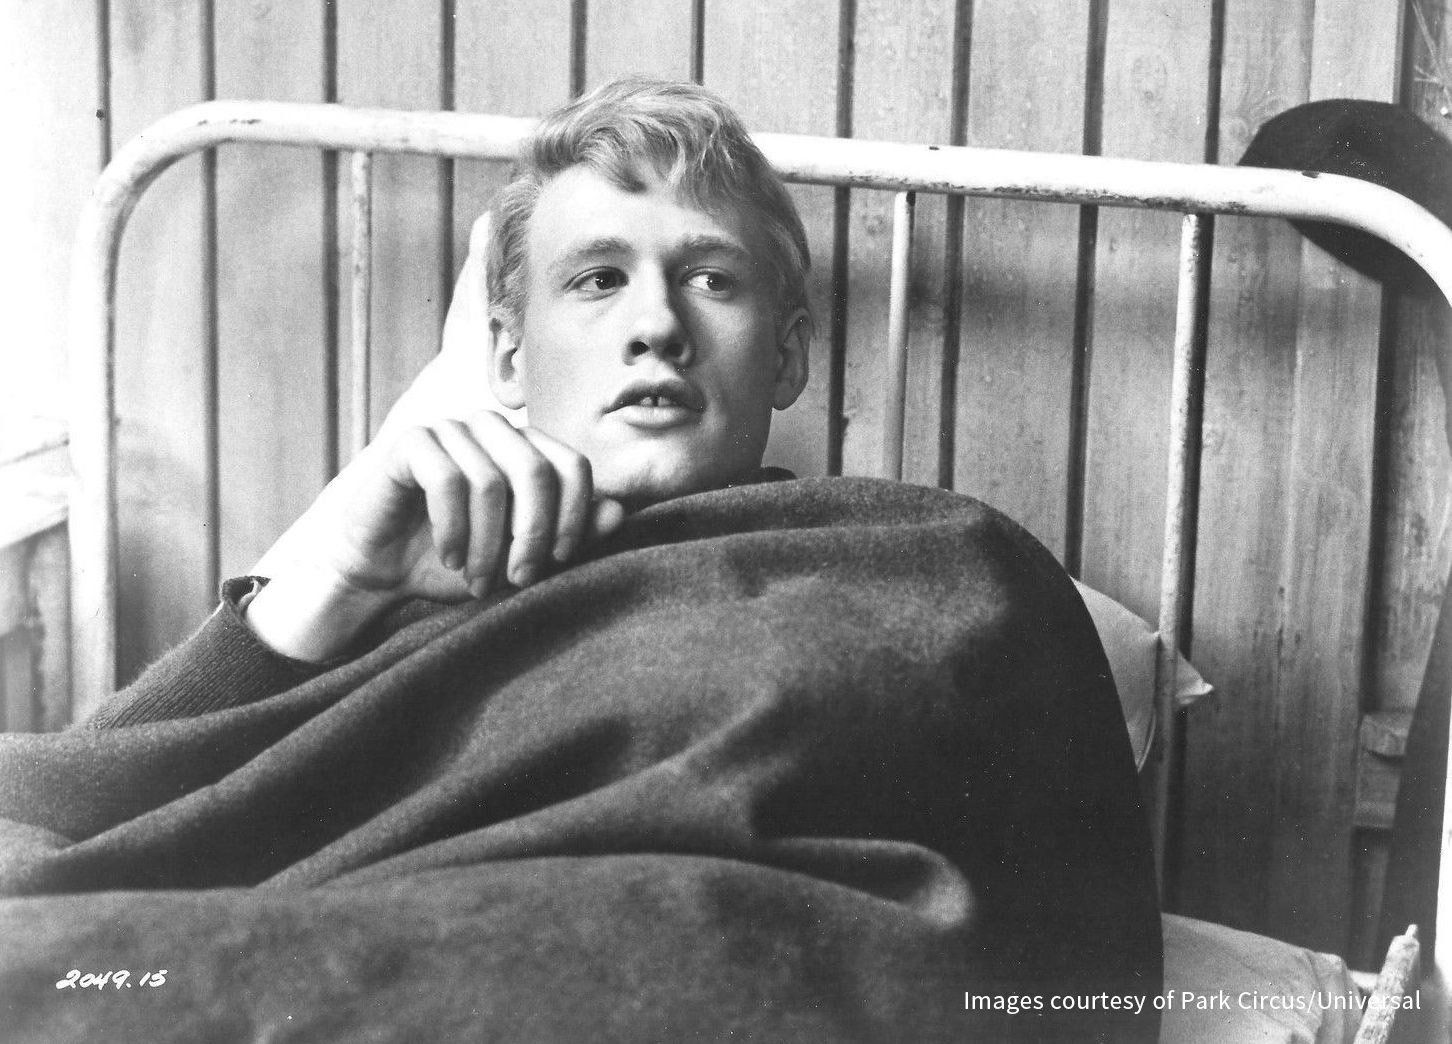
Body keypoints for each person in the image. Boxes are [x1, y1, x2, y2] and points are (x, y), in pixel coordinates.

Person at [1, 77, 1161, 1042]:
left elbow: (1062, 970)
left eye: (711, 279)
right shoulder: (420, 578)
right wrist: (330, 571)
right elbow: (65, 819)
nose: (656, 325)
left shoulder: (932, 556)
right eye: (597, 280)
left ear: (788, 356)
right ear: (507, 360)